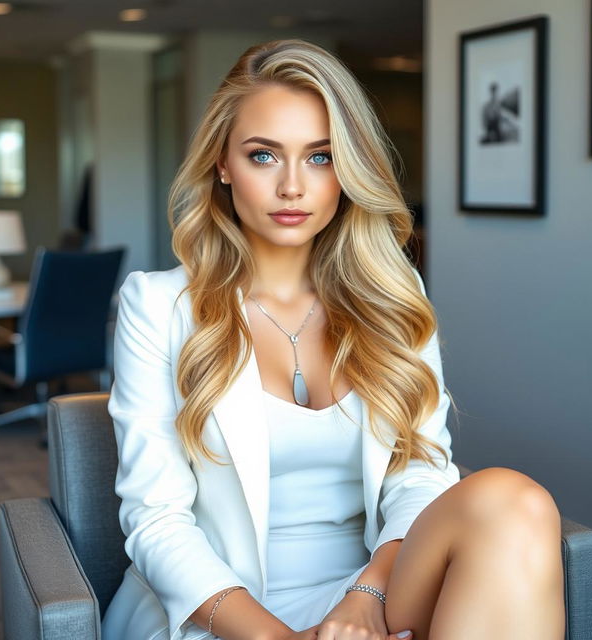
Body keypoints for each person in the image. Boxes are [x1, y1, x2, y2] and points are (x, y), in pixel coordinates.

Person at [101, 40, 565, 640]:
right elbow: (156, 520)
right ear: (222, 163)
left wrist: (368, 593)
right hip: (222, 609)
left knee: (515, 501)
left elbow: (420, 473)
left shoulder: (392, 296)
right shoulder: (159, 306)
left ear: (347, 169)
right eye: (264, 156)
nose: (293, 186)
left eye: (320, 158)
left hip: (370, 592)